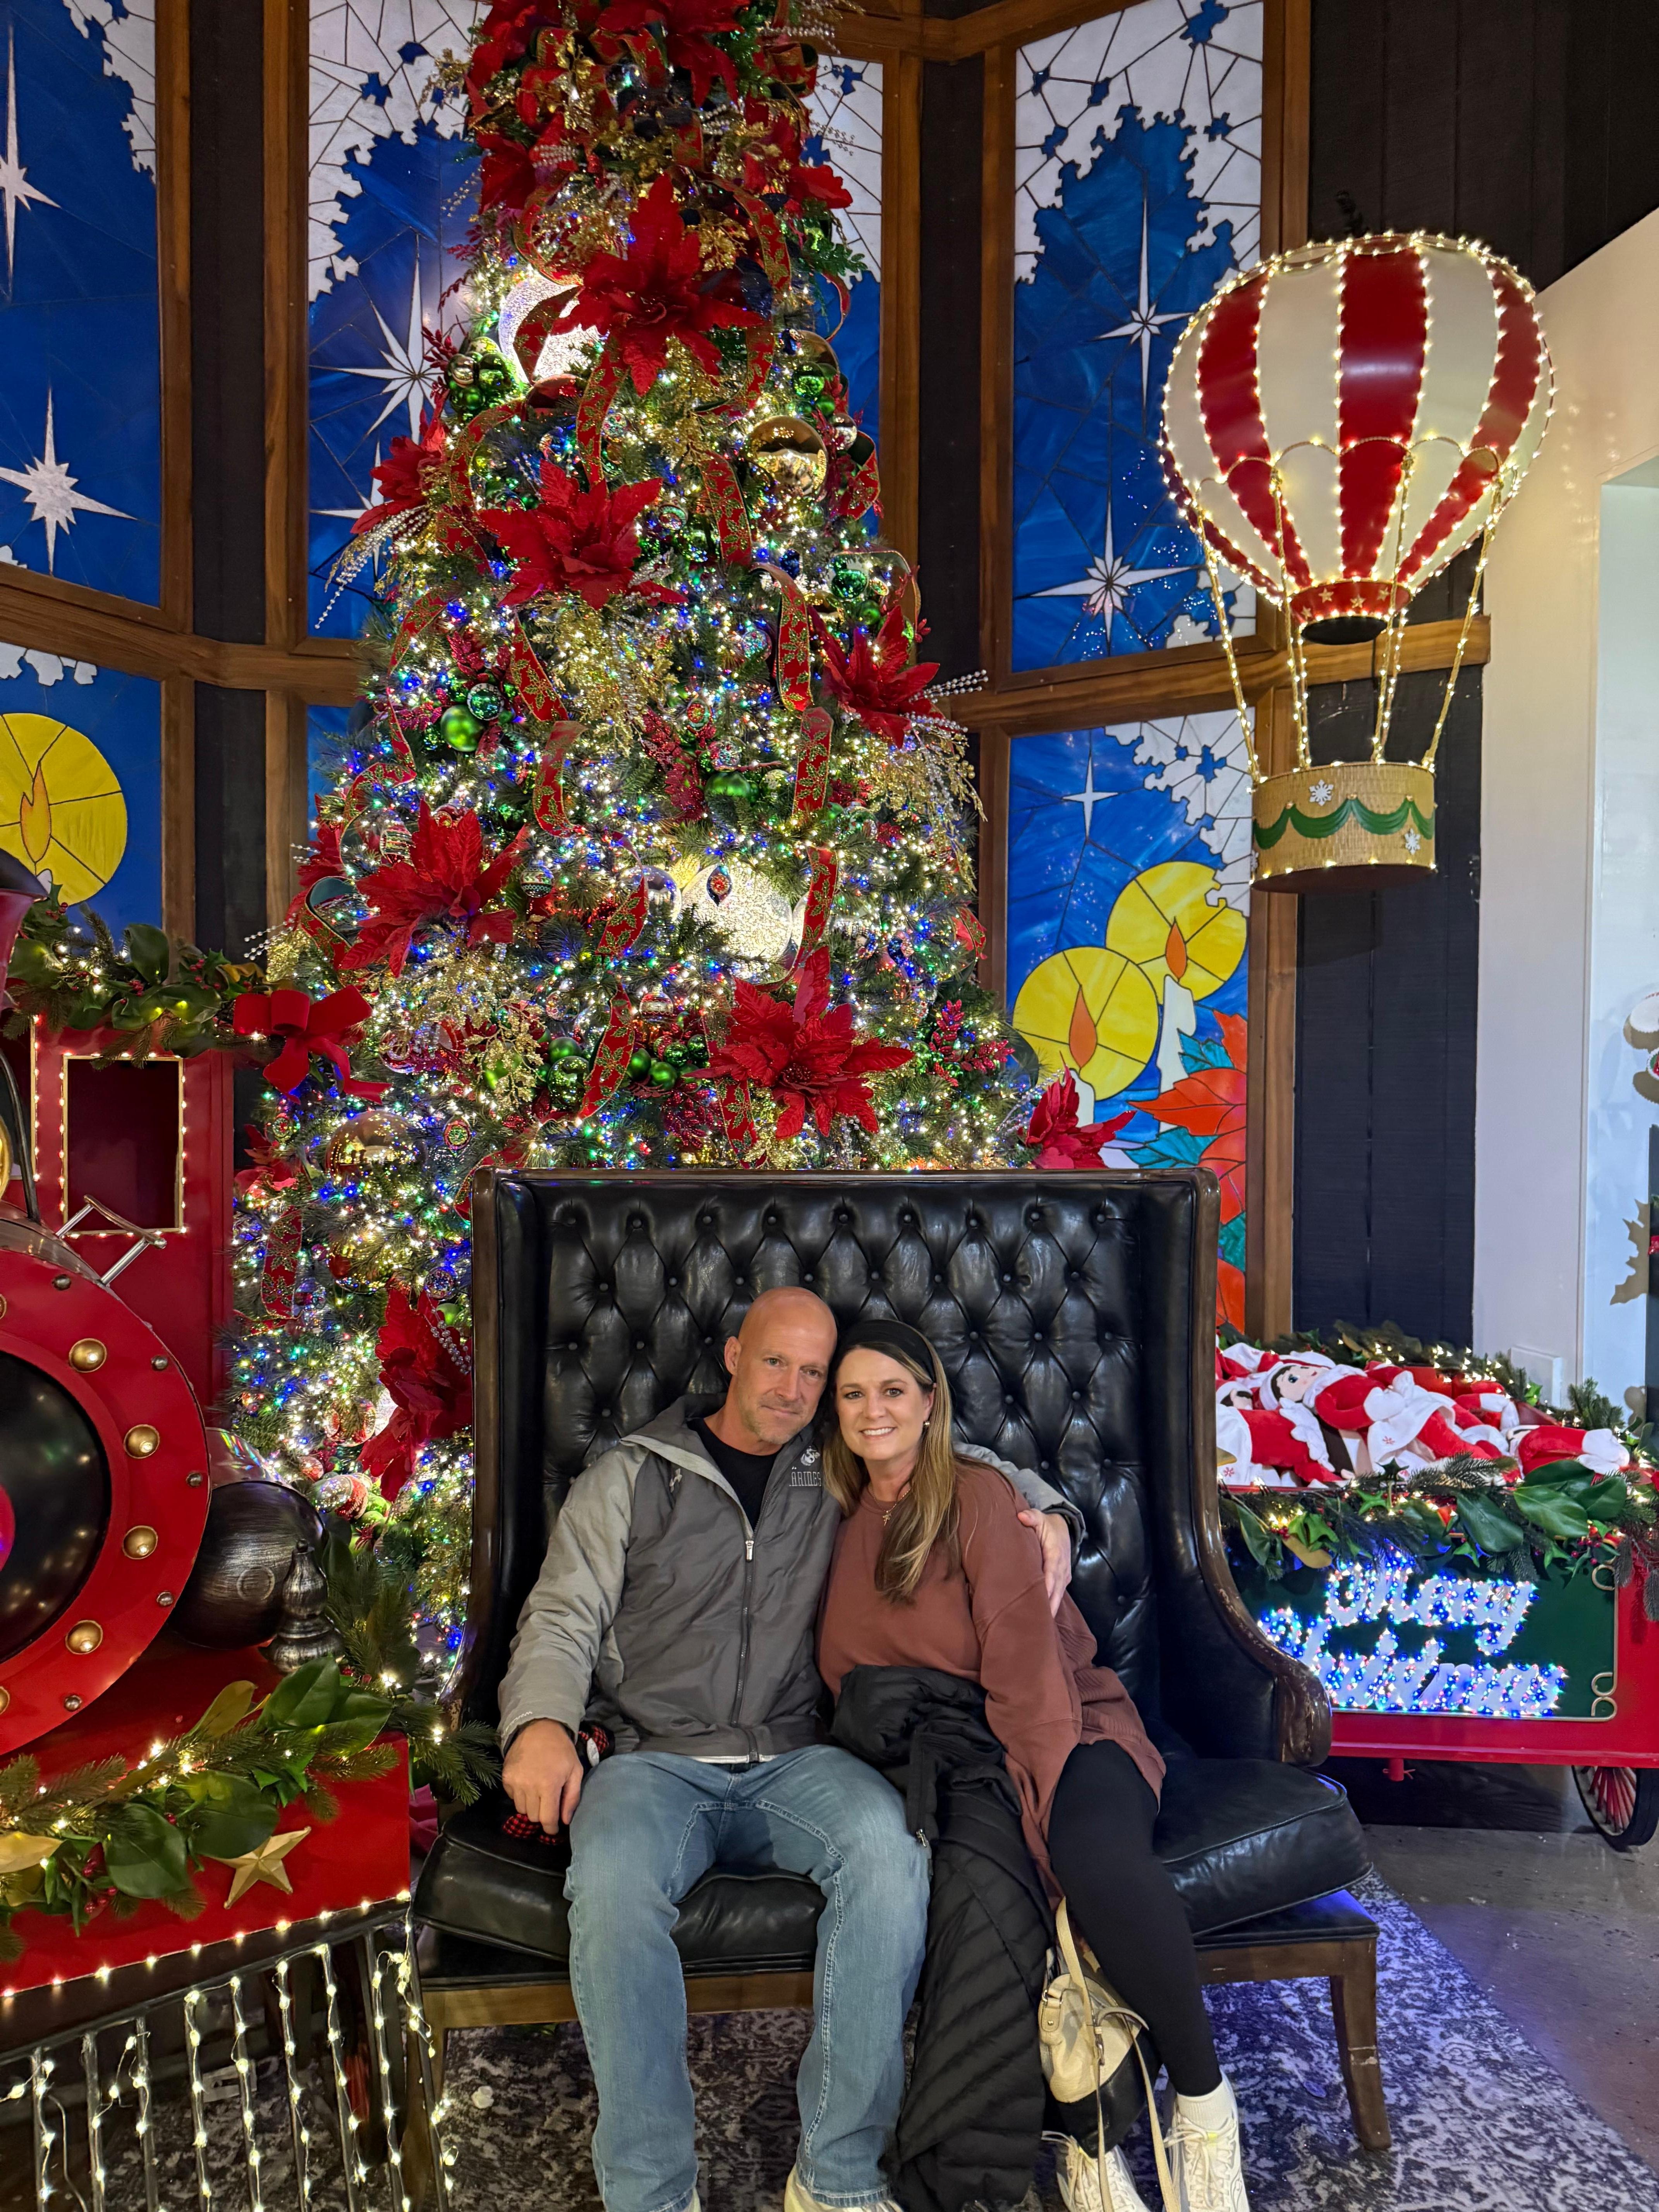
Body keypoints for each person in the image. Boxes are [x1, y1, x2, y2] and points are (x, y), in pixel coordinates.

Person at [499, 1286, 1079, 2212]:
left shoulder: (834, 1470)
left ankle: (839, 2178)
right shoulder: (632, 1474)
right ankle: (651, 2193)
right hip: (653, 1759)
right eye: (777, 1362)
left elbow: (945, 1452)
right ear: (734, 1356)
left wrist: (1050, 1510)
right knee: (609, 1888)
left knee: (890, 1854)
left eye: (814, 1373)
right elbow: (564, 1613)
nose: (793, 1388)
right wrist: (540, 1724)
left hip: (798, 1755)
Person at [817, 1319, 1252, 2212]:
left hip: (1071, 1730)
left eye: (893, 1391)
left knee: (1086, 1863)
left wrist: (1036, 1827)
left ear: (930, 1403)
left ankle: (1205, 2110)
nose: (873, 1411)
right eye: (853, 1394)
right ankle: (1087, 2136)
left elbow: (1029, 1684)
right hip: (956, 1760)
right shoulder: (835, 1516)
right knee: (982, 1901)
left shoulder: (980, 1498)